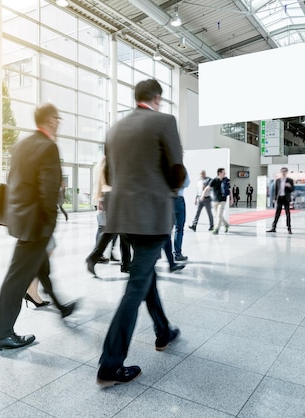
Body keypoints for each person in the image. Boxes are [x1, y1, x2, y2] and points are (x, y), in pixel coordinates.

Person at [96, 79, 184, 387]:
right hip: (153, 216)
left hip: (124, 217)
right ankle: (110, 364)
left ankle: (163, 331)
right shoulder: (164, 121)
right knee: (136, 286)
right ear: (157, 99)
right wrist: (170, 191)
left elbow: (108, 174)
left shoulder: (115, 129)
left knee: (146, 276)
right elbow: (177, 169)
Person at [0, 104, 75, 353]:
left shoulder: (21, 145)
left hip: (22, 220)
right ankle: (0, 335)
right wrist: (49, 224)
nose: (59, 122)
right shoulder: (48, 146)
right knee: (16, 279)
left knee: (37, 268)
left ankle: (60, 305)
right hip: (36, 225)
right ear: (50, 121)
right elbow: (48, 191)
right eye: (57, 118)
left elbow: (14, 182)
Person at [86, 158, 131, 276]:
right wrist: (100, 199)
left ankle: (126, 264)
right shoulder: (107, 161)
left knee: (120, 232)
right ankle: (94, 257)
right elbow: (101, 181)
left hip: (115, 196)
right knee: (113, 231)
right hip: (113, 196)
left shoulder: (111, 159)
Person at [267, 167, 294, 234]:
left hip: (286, 198)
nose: (283, 172)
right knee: (277, 213)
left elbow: (293, 189)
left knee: (288, 213)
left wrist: (289, 186)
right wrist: (274, 198)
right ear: (281, 172)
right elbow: (276, 190)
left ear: (287, 172)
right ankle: (273, 227)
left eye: (285, 171)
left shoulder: (290, 180)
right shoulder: (278, 180)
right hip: (279, 198)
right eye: (282, 171)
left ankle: (289, 228)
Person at [209, 168, 232, 235]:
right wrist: (202, 195)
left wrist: (232, 199)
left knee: (219, 215)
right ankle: (226, 224)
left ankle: (216, 229)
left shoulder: (226, 181)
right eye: (223, 172)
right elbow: (208, 188)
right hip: (215, 201)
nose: (225, 173)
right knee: (218, 216)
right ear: (219, 173)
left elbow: (230, 190)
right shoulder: (214, 180)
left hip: (223, 200)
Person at [172, 172, 189, 261]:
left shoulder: (166, 167)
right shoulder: (181, 168)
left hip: (168, 199)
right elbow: (187, 183)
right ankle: (177, 254)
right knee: (179, 228)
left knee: (166, 229)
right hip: (178, 198)